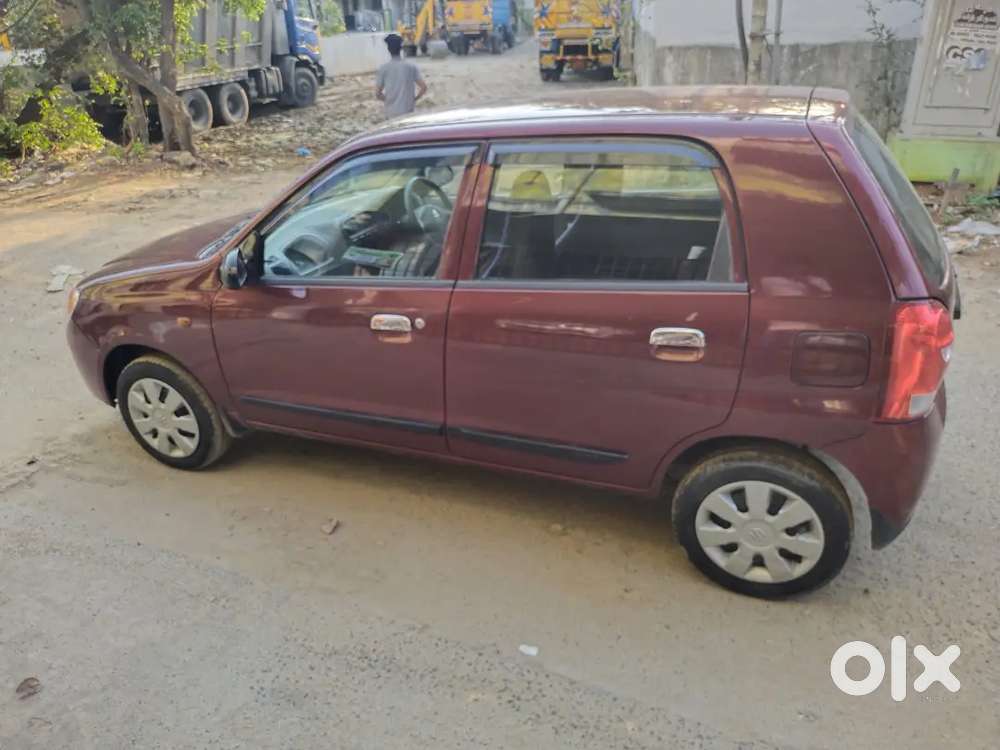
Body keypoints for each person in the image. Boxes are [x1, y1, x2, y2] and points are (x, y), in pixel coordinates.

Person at [375, 33, 428, 119]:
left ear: (388, 49)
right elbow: (424, 87)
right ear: (401, 48)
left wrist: (388, 100)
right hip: (408, 112)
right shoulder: (411, 66)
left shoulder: (383, 69)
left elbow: (377, 94)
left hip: (391, 113)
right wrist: (414, 99)